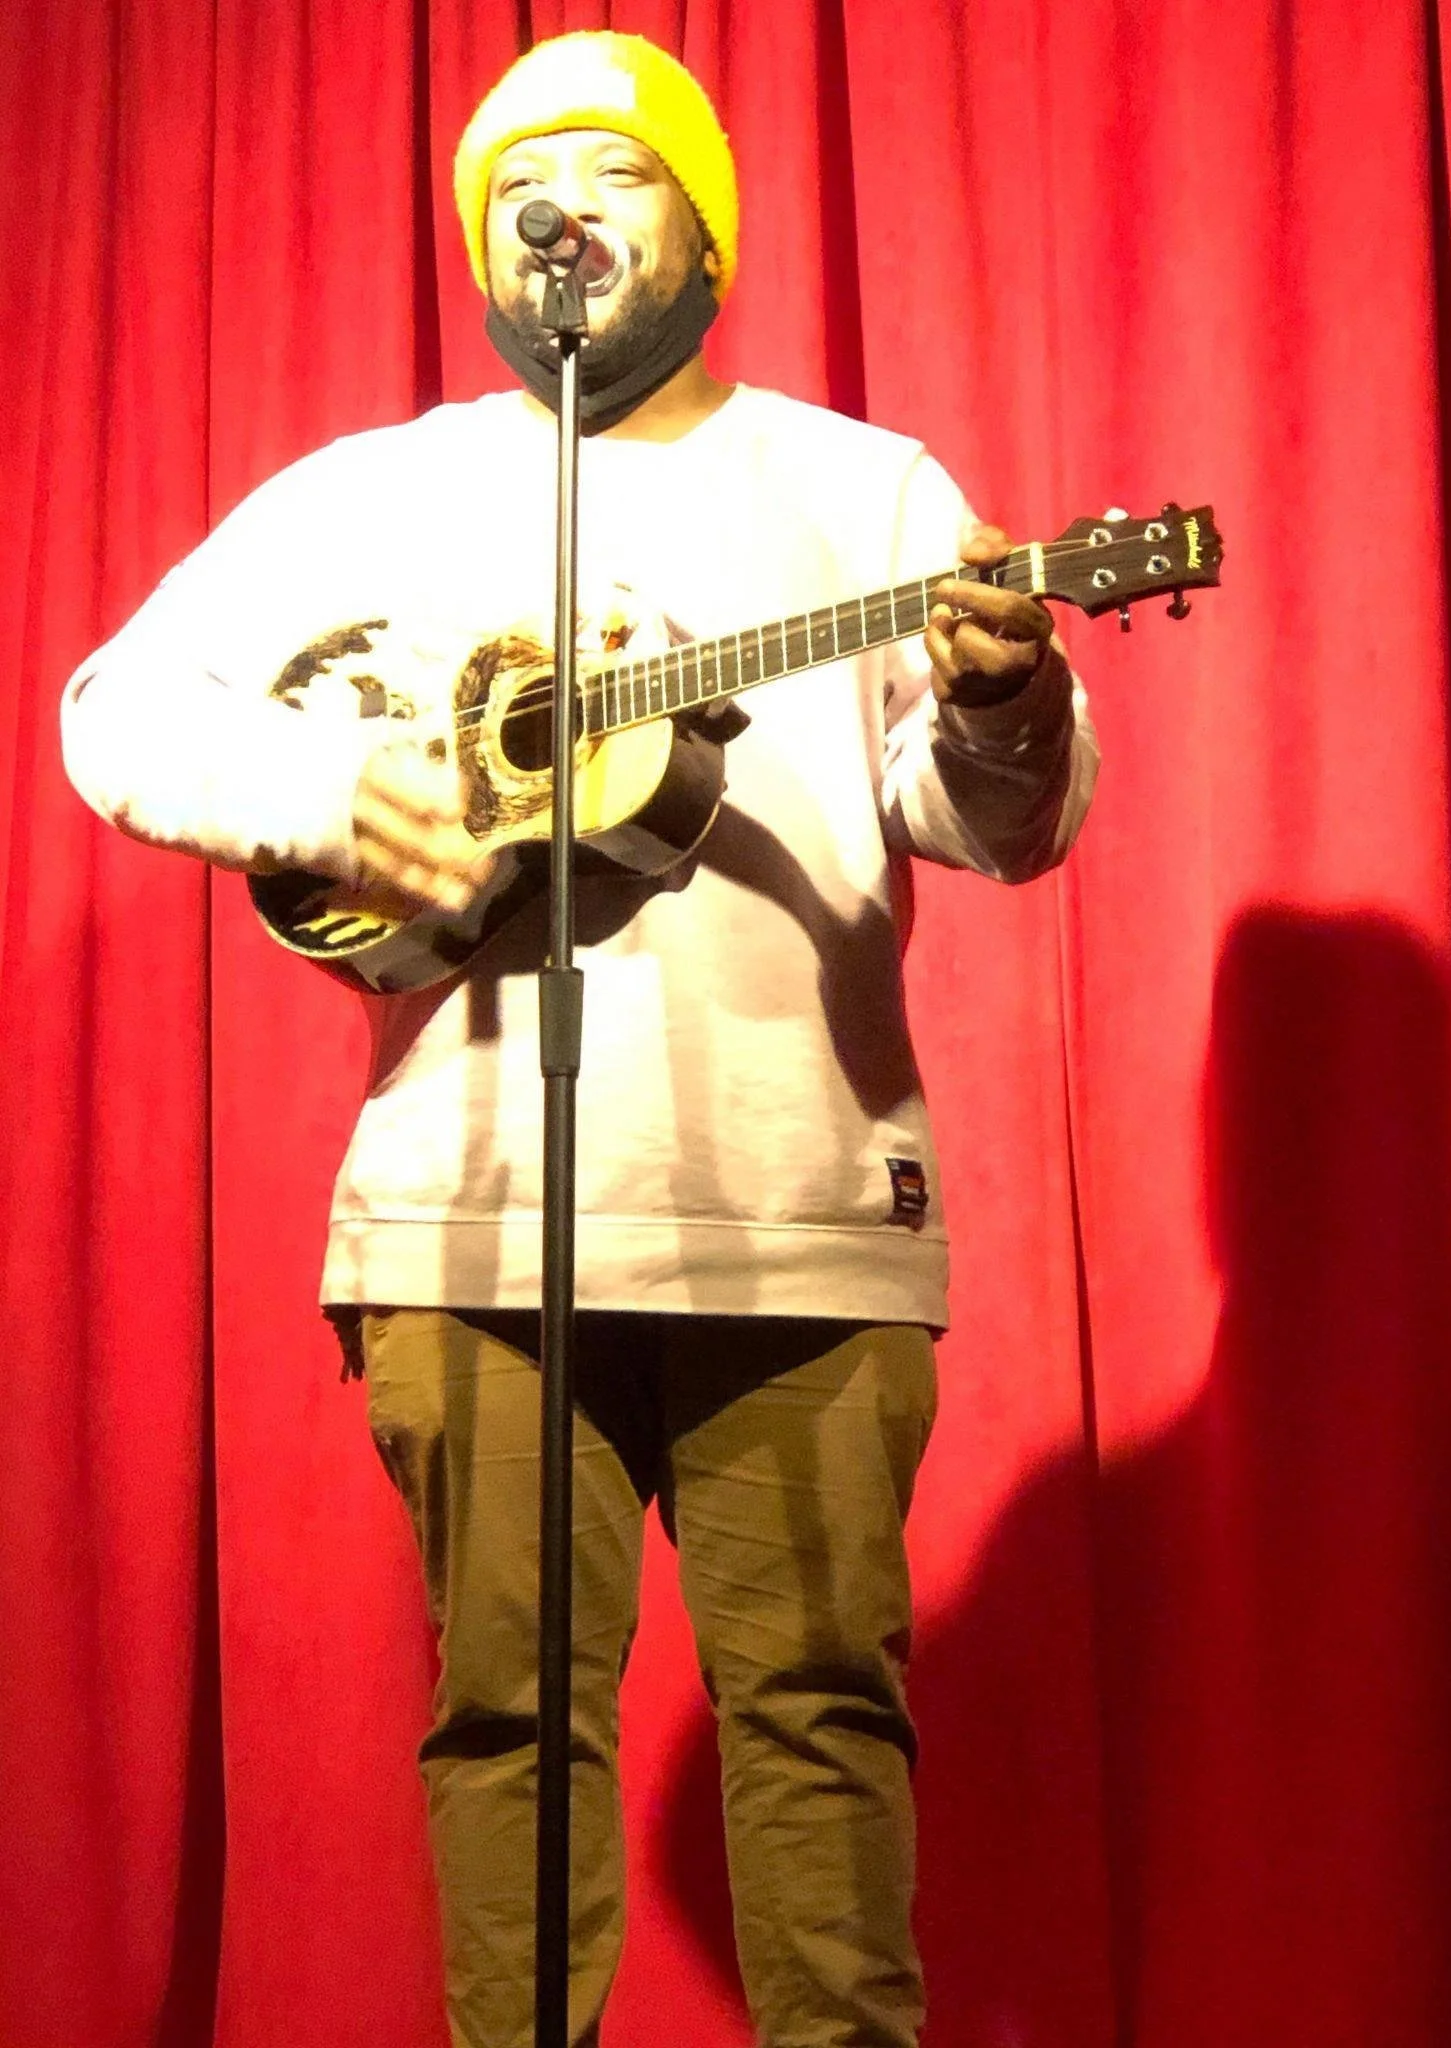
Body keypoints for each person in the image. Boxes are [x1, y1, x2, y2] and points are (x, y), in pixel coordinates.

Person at [60, 30, 1098, 2048]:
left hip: (802, 1209)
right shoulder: (380, 491)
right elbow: (117, 702)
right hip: (467, 1218)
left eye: (617, 173)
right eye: (520, 182)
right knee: (502, 1723)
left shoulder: (862, 487)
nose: (563, 209)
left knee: (818, 1724)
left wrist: (1002, 693)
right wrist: (326, 797)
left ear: (705, 223)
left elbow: (1007, 824)